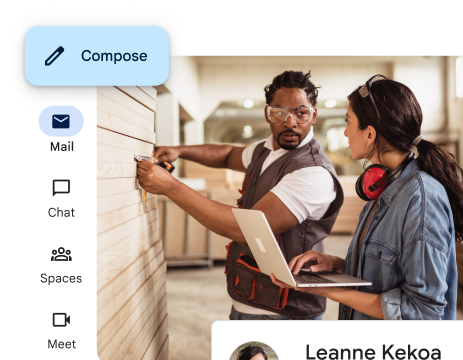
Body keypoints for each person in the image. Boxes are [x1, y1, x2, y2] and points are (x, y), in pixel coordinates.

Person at [136, 70, 344, 320]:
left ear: (314, 115)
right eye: (280, 112)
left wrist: (171, 187)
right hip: (250, 294)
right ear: (268, 113)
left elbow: (247, 229)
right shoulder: (265, 150)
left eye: (301, 112)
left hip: (285, 313)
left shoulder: (312, 172)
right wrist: (180, 150)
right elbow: (226, 154)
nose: (290, 122)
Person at [270, 75, 463, 320]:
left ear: (369, 134)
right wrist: (335, 264)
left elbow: (422, 313)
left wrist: (331, 291)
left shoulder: (420, 199)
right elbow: (387, 274)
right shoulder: (384, 187)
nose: (345, 132)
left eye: (348, 122)